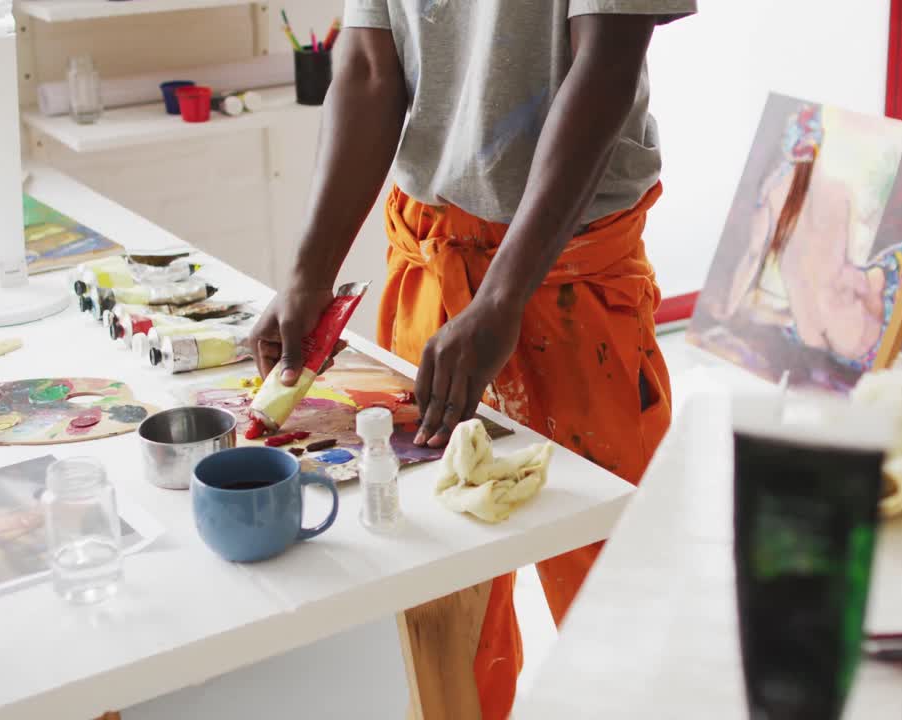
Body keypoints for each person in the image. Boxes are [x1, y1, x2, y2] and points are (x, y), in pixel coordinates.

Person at [248, 2, 694, 717]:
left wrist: (502, 298)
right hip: (432, 261)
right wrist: (309, 272)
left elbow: (606, 60)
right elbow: (367, 68)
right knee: (438, 581)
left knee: (615, 583)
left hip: (570, 283)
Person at [719, 105, 902, 372]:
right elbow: (851, 271)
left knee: (767, 303)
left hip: (808, 333)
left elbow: (753, 256)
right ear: (821, 141)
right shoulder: (841, 191)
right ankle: (895, 328)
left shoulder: (771, 191)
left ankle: (888, 322)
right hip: (855, 339)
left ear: (787, 146)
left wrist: (728, 312)